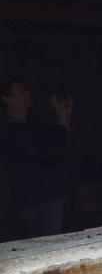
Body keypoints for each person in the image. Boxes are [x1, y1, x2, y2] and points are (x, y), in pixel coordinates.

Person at [0, 79, 73, 238]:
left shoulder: (32, 124)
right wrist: (61, 119)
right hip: (38, 201)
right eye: (21, 92)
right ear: (6, 99)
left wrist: (65, 116)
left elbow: (59, 146)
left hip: (51, 198)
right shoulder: (9, 130)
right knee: (48, 248)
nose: (28, 94)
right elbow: (50, 152)